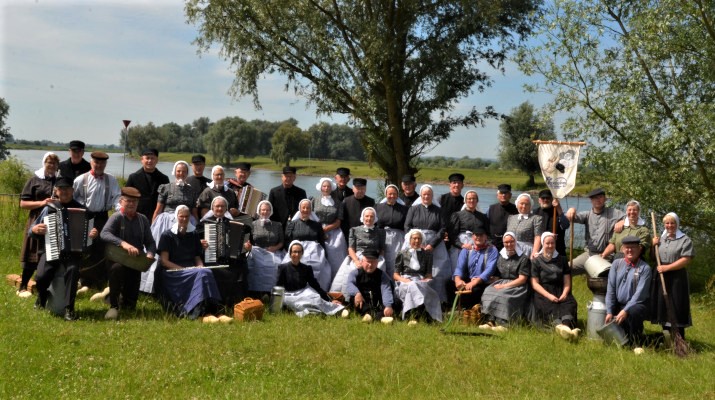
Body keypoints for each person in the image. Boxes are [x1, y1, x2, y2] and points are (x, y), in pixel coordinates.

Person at [29, 177, 98, 320]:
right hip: (51, 250)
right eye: (61, 189)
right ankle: (41, 297)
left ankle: (69, 309)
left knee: (73, 271)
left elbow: (90, 237)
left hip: (73, 254)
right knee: (41, 276)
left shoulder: (83, 210)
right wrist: (35, 229)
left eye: (67, 189)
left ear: (73, 191)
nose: (65, 192)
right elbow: (31, 230)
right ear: (56, 192)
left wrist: (93, 234)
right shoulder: (49, 209)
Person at [100, 187, 156, 320]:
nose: (131, 204)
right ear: (121, 201)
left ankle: (112, 295)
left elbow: (150, 242)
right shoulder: (116, 217)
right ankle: (113, 304)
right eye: (128, 201)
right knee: (117, 270)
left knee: (130, 306)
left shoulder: (143, 220)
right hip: (117, 259)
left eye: (135, 202)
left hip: (135, 262)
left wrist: (150, 253)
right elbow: (104, 233)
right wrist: (123, 244)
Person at [157, 205, 222, 319]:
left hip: (192, 270)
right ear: (176, 217)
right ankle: (197, 312)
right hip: (173, 272)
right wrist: (183, 269)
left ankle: (212, 309)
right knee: (201, 274)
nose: (184, 219)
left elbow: (197, 257)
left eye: (186, 216)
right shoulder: (167, 235)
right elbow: (164, 261)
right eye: (181, 216)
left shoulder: (194, 234)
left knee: (206, 272)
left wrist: (200, 266)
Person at [73, 151, 121, 288]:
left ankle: (98, 279)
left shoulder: (111, 180)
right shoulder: (80, 179)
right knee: (84, 247)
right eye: (96, 162)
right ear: (91, 162)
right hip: (85, 216)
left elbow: (117, 197)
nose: (99, 165)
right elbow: (73, 198)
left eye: (102, 163)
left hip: (102, 217)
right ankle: (82, 278)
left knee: (101, 247)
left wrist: (120, 210)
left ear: (105, 164)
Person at [17, 152, 59, 298]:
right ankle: (23, 285)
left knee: (48, 252)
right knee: (31, 251)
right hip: (36, 219)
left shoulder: (58, 182)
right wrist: (41, 203)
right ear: (44, 163)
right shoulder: (34, 180)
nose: (52, 166)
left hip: (53, 220)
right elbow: (23, 203)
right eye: (49, 162)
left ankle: (44, 286)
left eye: (54, 163)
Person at [198, 196, 251, 306]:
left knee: (241, 269)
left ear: (226, 209)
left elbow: (242, 248)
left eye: (222, 206)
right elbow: (194, 242)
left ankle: (236, 303)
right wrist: (200, 244)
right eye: (217, 206)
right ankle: (214, 303)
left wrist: (246, 248)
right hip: (211, 259)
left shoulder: (234, 224)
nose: (219, 208)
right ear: (212, 208)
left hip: (230, 261)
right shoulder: (204, 224)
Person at [651, 213, 693, 340]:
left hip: (676, 278)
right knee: (663, 306)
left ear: (677, 224)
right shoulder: (661, 238)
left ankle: (679, 338)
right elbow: (654, 258)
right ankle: (667, 337)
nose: (669, 225)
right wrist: (653, 245)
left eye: (672, 223)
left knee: (676, 306)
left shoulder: (684, 240)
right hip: (661, 276)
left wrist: (667, 268)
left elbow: (686, 259)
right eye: (667, 223)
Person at [405, 184, 450, 303]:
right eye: (424, 194)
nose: (426, 196)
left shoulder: (439, 211)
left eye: (429, 194)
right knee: (415, 270)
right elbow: (407, 226)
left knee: (436, 272)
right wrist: (416, 243)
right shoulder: (413, 209)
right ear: (420, 195)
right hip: (416, 242)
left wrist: (432, 245)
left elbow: (442, 229)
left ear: (432, 196)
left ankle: (437, 300)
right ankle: (416, 300)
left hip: (435, 244)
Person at [566, 188, 625, 275]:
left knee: (600, 275)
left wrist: (623, 221)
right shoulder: (587, 215)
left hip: (607, 256)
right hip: (589, 254)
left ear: (605, 199)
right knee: (566, 269)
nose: (598, 200)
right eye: (595, 198)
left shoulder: (614, 213)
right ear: (591, 200)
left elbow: (632, 217)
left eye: (600, 197)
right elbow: (570, 217)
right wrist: (572, 210)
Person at [277, 241, 345, 317]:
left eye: (299, 252)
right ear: (290, 253)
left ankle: (336, 310)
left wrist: (330, 300)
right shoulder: (282, 268)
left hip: (304, 292)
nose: (297, 254)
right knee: (300, 304)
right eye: (294, 252)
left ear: (302, 253)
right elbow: (278, 287)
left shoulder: (307, 268)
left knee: (316, 299)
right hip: (289, 295)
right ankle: (315, 313)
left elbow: (316, 286)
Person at [531, 232, 579, 338]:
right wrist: (549, 296)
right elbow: (535, 284)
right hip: (543, 291)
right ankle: (560, 326)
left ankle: (566, 327)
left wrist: (565, 293)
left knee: (569, 303)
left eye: (552, 243)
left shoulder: (562, 259)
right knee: (549, 305)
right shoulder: (536, 261)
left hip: (560, 289)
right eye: (547, 243)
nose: (550, 246)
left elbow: (567, 281)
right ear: (543, 244)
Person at [605, 235, 652, 344]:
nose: (630, 250)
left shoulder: (645, 268)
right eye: (627, 247)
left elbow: (639, 295)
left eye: (633, 247)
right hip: (620, 303)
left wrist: (625, 310)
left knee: (633, 313)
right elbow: (611, 288)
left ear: (639, 249)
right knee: (607, 316)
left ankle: (637, 341)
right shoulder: (616, 264)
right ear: (622, 249)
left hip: (637, 305)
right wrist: (609, 311)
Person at [331, 207, 386, 297]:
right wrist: (356, 261)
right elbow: (351, 248)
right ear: (363, 217)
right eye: (367, 216)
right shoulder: (354, 230)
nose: (369, 218)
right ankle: (349, 298)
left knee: (379, 269)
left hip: (374, 257)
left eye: (371, 216)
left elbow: (382, 249)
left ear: (375, 218)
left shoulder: (381, 232)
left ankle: (376, 297)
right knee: (352, 270)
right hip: (359, 257)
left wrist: (378, 260)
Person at [480, 232, 531, 326]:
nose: (509, 244)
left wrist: (504, 286)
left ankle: (503, 323)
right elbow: (499, 275)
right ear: (503, 243)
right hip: (502, 282)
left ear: (515, 242)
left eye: (511, 241)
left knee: (503, 295)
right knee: (488, 291)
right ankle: (490, 320)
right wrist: (491, 279)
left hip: (518, 286)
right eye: (506, 242)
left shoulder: (523, 258)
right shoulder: (501, 256)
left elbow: (522, 279)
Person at [393, 229, 442, 322]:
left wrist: (425, 279)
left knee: (415, 285)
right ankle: (420, 312)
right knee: (412, 285)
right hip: (405, 280)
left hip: (420, 280)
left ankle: (411, 316)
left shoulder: (427, 254)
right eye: (414, 238)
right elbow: (395, 275)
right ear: (409, 239)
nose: (417, 241)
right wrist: (405, 280)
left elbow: (429, 275)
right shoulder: (402, 253)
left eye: (419, 238)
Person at [283, 199, 331, 291]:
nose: (305, 210)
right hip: (297, 250)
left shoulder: (316, 225)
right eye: (303, 207)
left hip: (314, 251)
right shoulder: (292, 224)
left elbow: (321, 240)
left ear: (311, 210)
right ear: (300, 209)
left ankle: (316, 291)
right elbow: (288, 240)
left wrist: (325, 254)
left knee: (319, 267)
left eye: (308, 208)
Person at [452, 227, 498, 308]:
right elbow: (459, 267)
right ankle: (456, 309)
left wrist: (475, 281)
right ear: (473, 237)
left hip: (483, 281)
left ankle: (471, 312)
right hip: (468, 279)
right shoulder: (467, 250)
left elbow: (489, 269)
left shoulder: (492, 250)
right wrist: (458, 280)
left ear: (486, 237)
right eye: (476, 235)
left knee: (475, 290)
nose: (478, 237)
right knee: (449, 285)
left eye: (481, 235)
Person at [311, 177, 347, 279]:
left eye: (328, 186)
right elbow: (311, 217)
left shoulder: (338, 202)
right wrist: (319, 231)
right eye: (324, 186)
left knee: (334, 257)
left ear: (331, 188)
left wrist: (326, 229)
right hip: (316, 229)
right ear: (321, 187)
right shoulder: (314, 200)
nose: (326, 188)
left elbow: (338, 221)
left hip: (333, 231)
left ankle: (334, 280)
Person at [247, 200, 285, 297]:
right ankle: (256, 292)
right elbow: (248, 241)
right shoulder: (253, 224)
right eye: (263, 210)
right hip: (257, 251)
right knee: (253, 266)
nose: (265, 212)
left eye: (268, 210)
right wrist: (249, 247)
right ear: (259, 211)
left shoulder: (278, 225)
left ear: (271, 211)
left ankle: (271, 292)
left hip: (273, 251)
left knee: (275, 266)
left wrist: (275, 247)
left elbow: (281, 242)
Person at [448, 189, 490, 271]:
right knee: (459, 269)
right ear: (465, 201)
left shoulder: (483, 217)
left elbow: (487, 233)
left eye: (474, 198)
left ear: (477, 201)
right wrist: (461, 245)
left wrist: (485, 245)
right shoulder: (457, 215)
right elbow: (452, 234)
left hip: (478, 245)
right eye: (469, 199)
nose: (471, 200)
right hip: (461, 246)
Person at [346, 249, 395, 319]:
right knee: (354, 299)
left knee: (396, 303)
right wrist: (357, 293)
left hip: (378, 302)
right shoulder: (355, 273)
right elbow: (350, 284)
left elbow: (386, 290)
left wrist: (388, 305)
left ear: (377, 263)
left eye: (373, 262)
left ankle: (376, 316)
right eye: (368, 261)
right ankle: (373, 316)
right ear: (362, 261)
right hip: (362, 301)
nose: (370, 264)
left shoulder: (382, 275)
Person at [125, 148, 170, 220]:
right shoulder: (133, 177)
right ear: (142, 159)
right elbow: (126, 197)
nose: (150, 161)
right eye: (147, 158)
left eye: (152, 158)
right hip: (136, 215)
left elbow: (167, 199)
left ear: (157, 160)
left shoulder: (164, 179)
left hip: (157, 216)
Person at [375, 184, 408, 277]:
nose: (392, 196)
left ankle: (395, 284)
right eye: (390, 194)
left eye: (394, 194)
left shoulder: (404, 209)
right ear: (386, 194)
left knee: (396, 260)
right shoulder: (378, 207)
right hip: (382, 236)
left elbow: (407, 225)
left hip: (398, 238)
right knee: (382, 259)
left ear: (397, 195)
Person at [533, 189, 570, 256]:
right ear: (539, 200)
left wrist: (559, 209)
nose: (545, 200)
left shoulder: (558, 211)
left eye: (548, 198)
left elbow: (566, 225)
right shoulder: (534, 213)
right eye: (543, 198)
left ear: (552, 199)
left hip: (557, 250)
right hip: (539, 251)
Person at [506, 193, 543, 258]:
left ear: (530, 206)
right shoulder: (511, 218)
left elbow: (538, 237)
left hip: (526, 251)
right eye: (521, 203)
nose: (524, 206)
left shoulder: (536, 218)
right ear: (517, 204)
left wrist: (535, 252)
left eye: (527, 204)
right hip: (511, 249)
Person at [487, 184, 518, 250]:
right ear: (497, 195)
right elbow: (486, 225)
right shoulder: (491, 208)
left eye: (506, 193)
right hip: (492, 244)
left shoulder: (516, 210)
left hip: (510, 245)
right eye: (501, 193)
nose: (503, 195)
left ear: (510, 195)